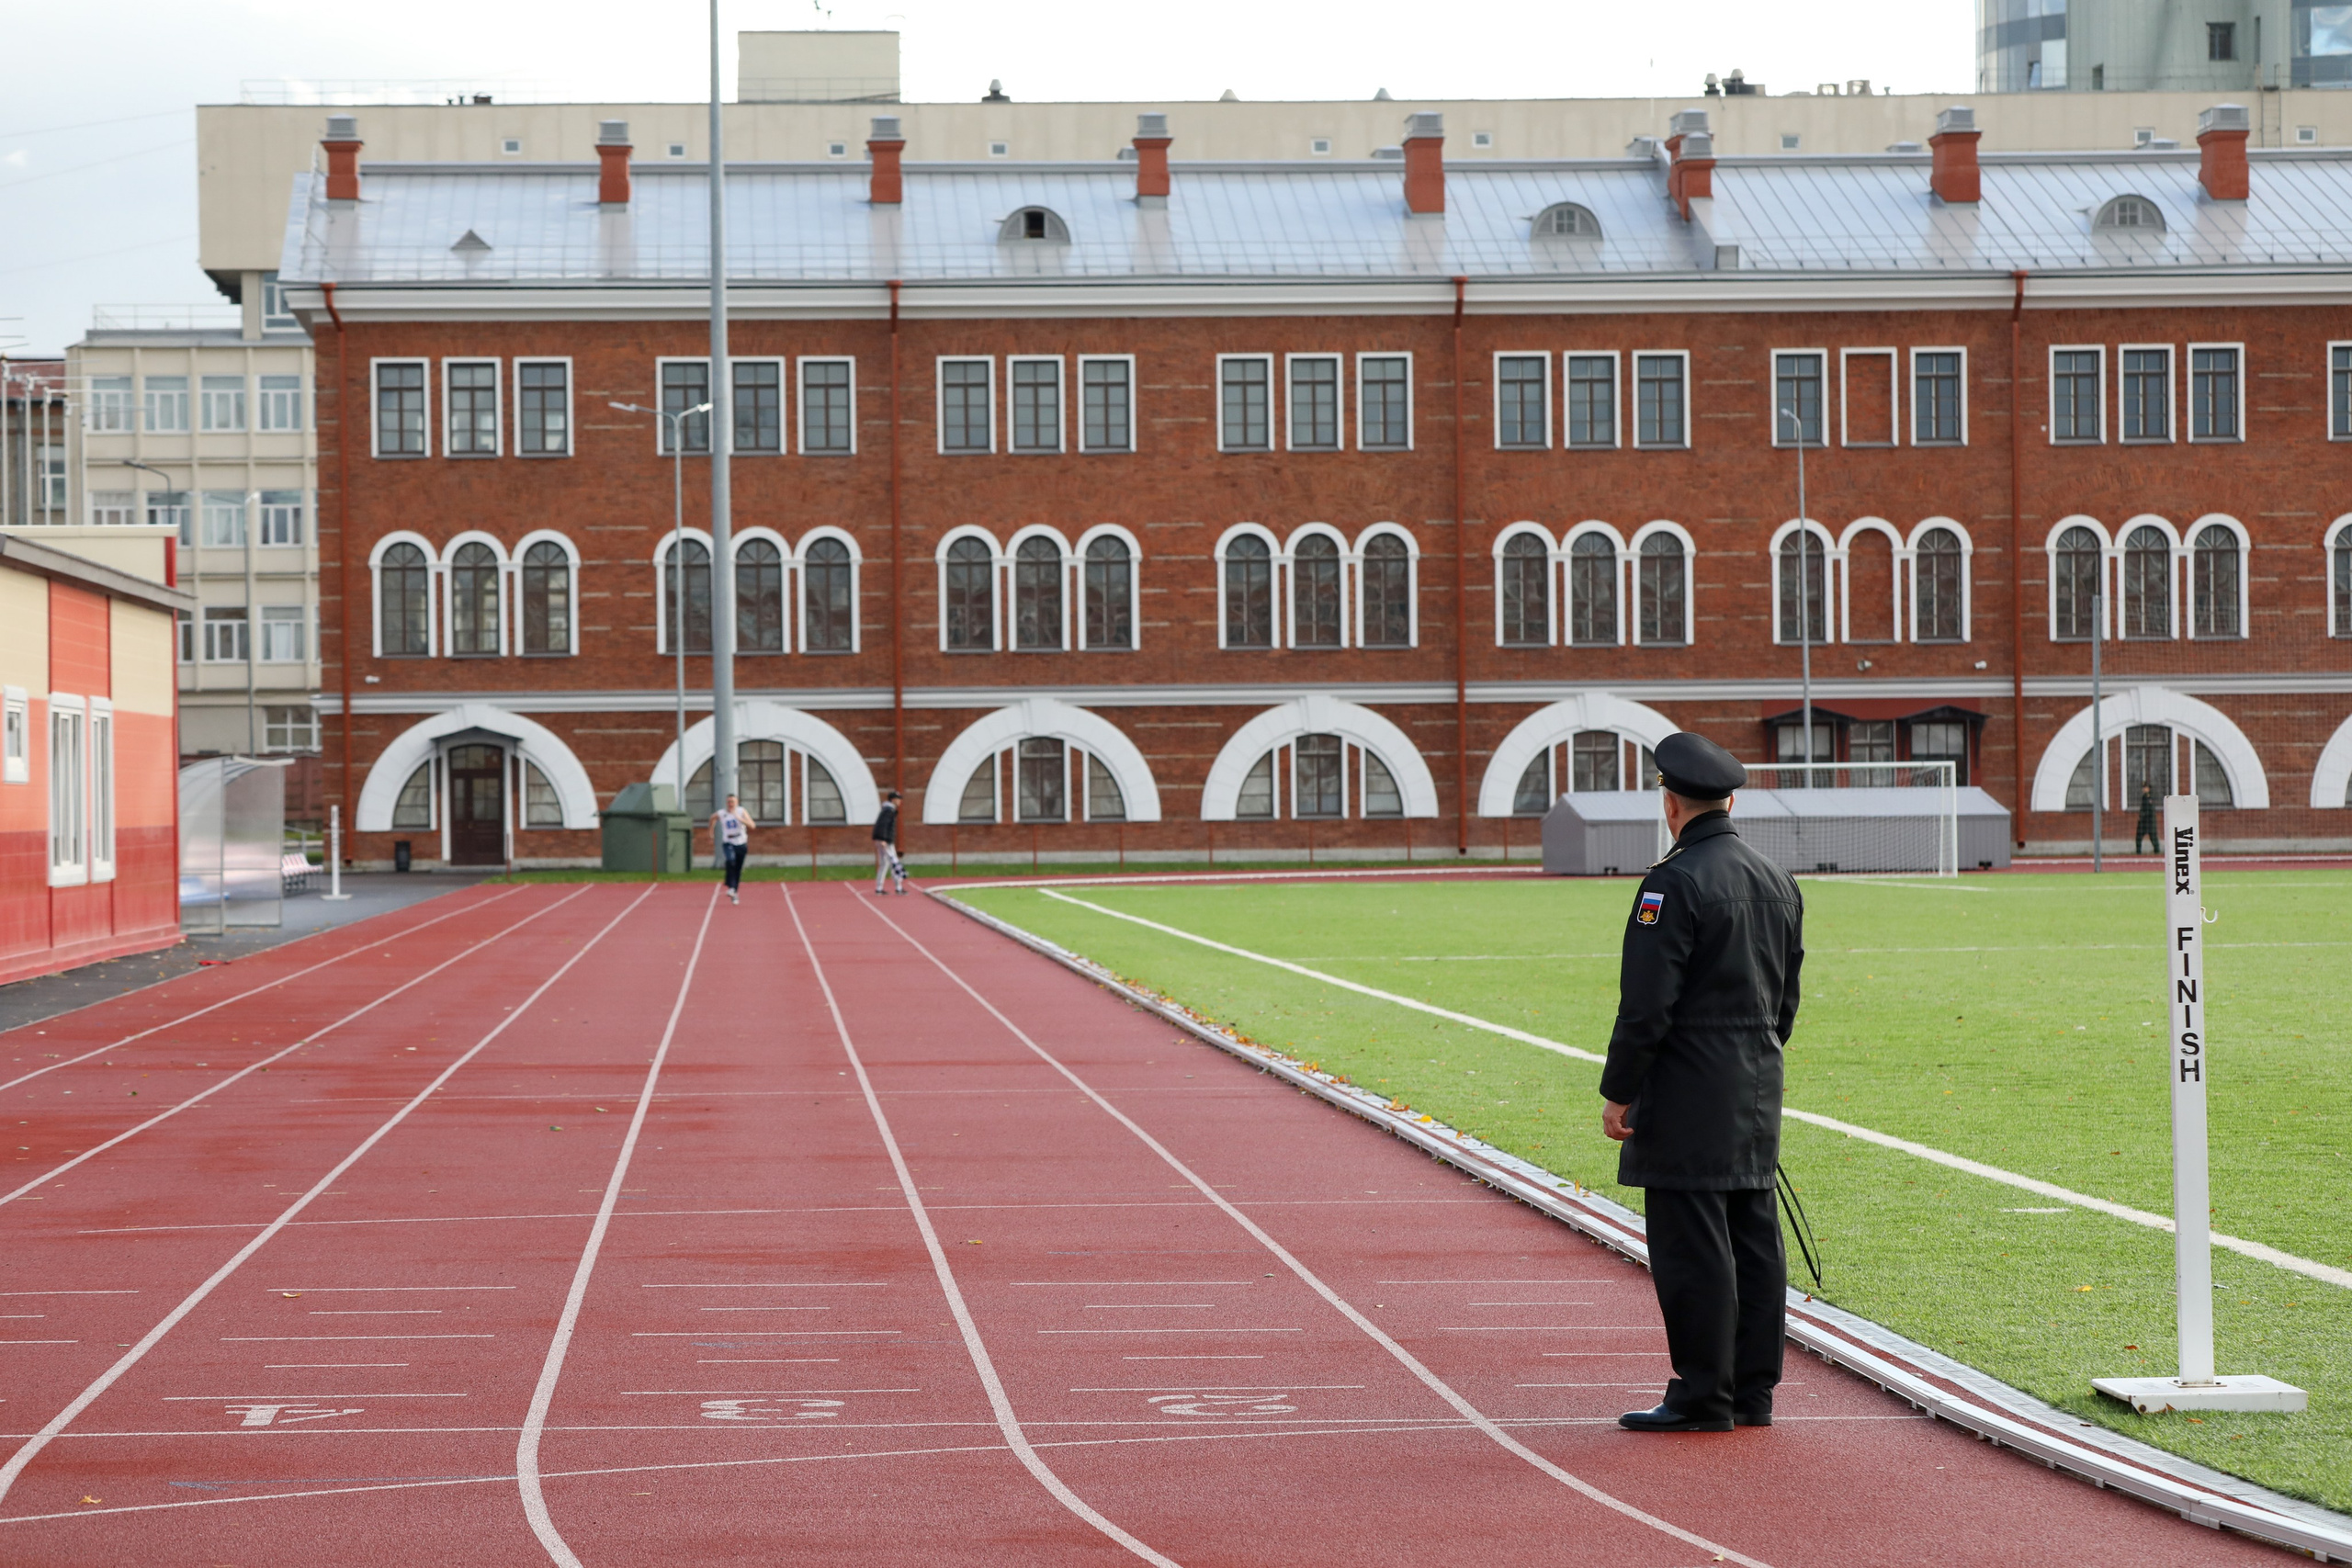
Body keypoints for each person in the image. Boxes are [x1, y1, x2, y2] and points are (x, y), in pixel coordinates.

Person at [1600, 731, 1804, 1435]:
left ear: (1671, 802)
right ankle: (1753, 1393)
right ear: (1731, 799)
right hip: (1756, 1083)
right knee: (1753, 1239)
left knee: (1692, 1247)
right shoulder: (1778, 880)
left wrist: (1619, 1088)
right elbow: (1786, 1003)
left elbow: (1646, 1003)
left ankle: (1701, 1393)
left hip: (1689, 1086)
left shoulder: (1672, 882)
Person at [711, 792, 753, 905]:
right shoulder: (722, 813)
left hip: (741, 842)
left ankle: (734, 891)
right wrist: (711, 831)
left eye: (733, 802)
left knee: (738, 868)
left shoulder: (741, 811)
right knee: (730, 861)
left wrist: (740, 818)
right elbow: (712, 818)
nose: (730, 804)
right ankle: (730, 886)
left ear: (737, 802)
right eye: (729, 802)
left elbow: (752, 825)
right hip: (728, 841)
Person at [872, 788, 907, 895]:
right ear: (893, 800)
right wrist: (883, 839)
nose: (900, 801)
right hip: (885, 840)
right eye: (898, 799)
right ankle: (898, 887)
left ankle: (879, 888)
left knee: (884, 863)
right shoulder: (889, 810)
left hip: (882, 839)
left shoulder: (886, 809)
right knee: (894, 862)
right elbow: (883, 825)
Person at [2133, 783, 2159, 855]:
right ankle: (2138, 852)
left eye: (2145, 788)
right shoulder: (2144, 797)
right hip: (2143, 821)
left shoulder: (2150, 798)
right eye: (2143, 788)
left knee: (2153, 838)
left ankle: (2157, 852)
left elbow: (2149, 810)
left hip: (2149, 822)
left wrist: (2143, 815)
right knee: (2138, 837)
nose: (2143, 789)